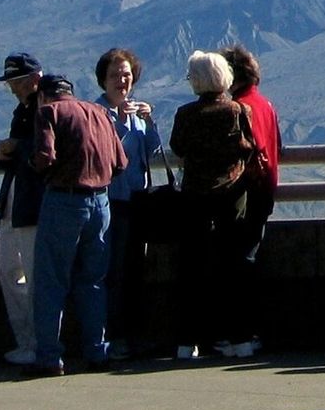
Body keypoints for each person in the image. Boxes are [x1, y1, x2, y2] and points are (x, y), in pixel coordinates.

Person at [26, 74, 127, 375]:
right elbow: (121, 162)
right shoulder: (99, 113)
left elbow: (45, 155)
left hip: (63, 201)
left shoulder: (48, 112)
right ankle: (97, 351)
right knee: (93, 281)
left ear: (44, 96)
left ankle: (49, 357)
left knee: (51, 282)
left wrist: (33, 166)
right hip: (101, 203)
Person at [169, 51, 261, 359]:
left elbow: (178, 147)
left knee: (191, 269)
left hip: (194, 198)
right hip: (232, 198)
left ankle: (186, 341)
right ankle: (240, 339)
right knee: (233, 268)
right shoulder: (238, 111)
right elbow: (250, 148)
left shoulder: (185, 114)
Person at [95, 48, 160, 360]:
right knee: (114, 271)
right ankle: (114, 335)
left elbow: (152, 149)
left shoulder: (135, 112)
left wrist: (149, 122)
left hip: (138, 200)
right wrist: (121, 123)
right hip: (113, 202)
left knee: (136, 270)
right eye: (115, 76)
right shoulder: (98, 113)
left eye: (126, 75)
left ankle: (137, 334)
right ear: (103, 80)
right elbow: (108, 154)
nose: (121, 81)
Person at [222, 44, 280, 358]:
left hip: (244, 193)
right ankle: (248, 332)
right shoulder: (266, 105)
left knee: (236, 262)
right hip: (266, 189)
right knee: (249, 258)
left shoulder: (239, 108)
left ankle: (238, 332)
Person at [0, 52, 46, 366]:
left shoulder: (47, 108)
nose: (13, 88)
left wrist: (16, 148)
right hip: (14, 195)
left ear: (34, 79)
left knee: (36, 274)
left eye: (18, 82)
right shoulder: (21, 111)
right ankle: (24, 339)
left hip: (33, 201)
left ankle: (40, 341)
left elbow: (46, 152)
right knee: (9, 271)